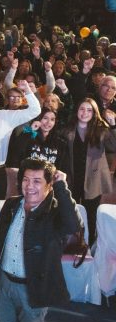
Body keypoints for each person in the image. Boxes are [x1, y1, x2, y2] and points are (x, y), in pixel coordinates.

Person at [0, 158, 81, 322]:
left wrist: (61, 186)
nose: (29, 186)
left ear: (49, 185)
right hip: (5, 282)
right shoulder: (11, 204)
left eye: (37, 181)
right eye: (25, 179)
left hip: (34, 288)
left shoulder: (55, 211)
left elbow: (73, 226)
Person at [63, 98, 116, 245]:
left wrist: (113, 125)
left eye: (89, 110)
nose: (85, 112)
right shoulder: (68, 129)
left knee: (91, 214)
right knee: (70, 212)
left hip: (93, 178)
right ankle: (72, 243)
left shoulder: (101, 128)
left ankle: (90, 244)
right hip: (72, 177)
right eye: (82, 109)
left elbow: (114, 145)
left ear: (94, 113)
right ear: (77, 111)